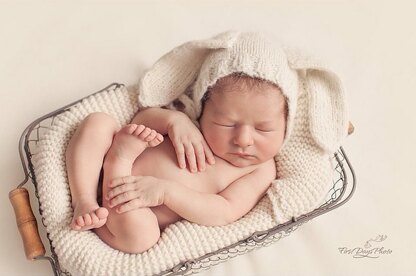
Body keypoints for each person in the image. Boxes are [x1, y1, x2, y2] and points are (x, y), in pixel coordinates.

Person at [66, 32, 296, 254]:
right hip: (96, 176)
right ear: (203, 111)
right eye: (227, 124)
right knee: (98, 122)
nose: (244, 140)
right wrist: (173, 122)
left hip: (131, 213)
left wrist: (166, 193)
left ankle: (119, 162)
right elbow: (141, 122)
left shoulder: (262, 169)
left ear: (286, 126)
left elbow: (224, 210)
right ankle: (84, 199)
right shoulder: (190, 122)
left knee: (142, 238)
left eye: (263, 128)